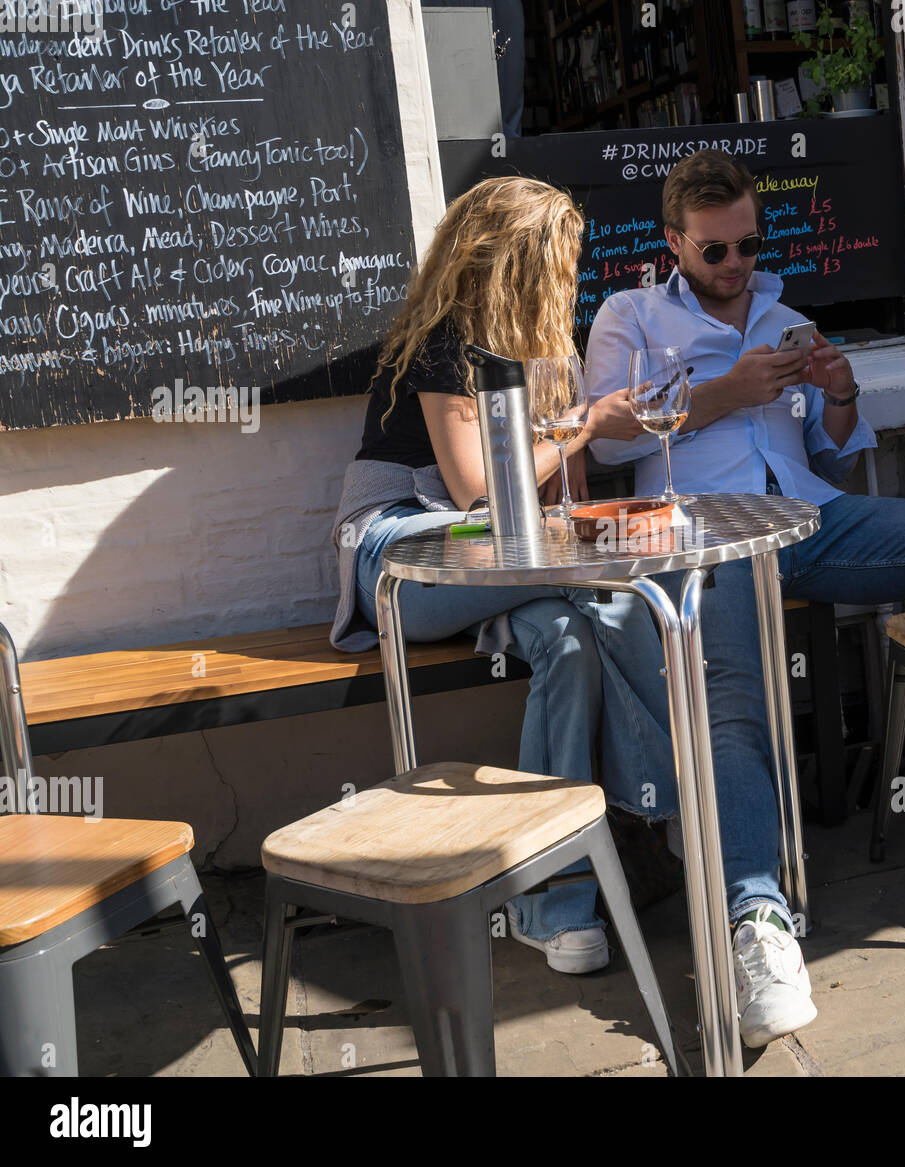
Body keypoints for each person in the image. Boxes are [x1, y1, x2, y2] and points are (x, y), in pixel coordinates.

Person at [585, 149, 905, 875]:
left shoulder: (785, 318)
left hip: (809, 517)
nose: (735, 263)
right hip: (708, 535)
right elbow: (605, 443)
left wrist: (843, 392)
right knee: (736, 694)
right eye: (715, 249)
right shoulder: (629, 315)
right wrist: (730, 389)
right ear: (673, 243)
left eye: (748, 244)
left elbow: (834, 457)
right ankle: (752, 889)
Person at [328, 176, 675, 974]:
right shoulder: (444, 342)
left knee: (572, 641)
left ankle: (550, 903)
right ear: (512, 261)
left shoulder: (539, 352)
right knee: (610, 583)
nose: (570, 279)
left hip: (507, 559)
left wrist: (576, 443)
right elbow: (474, 491)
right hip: (403, 554)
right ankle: (675, 798)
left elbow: (557, 507)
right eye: (559, 261)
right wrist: (586, 424)